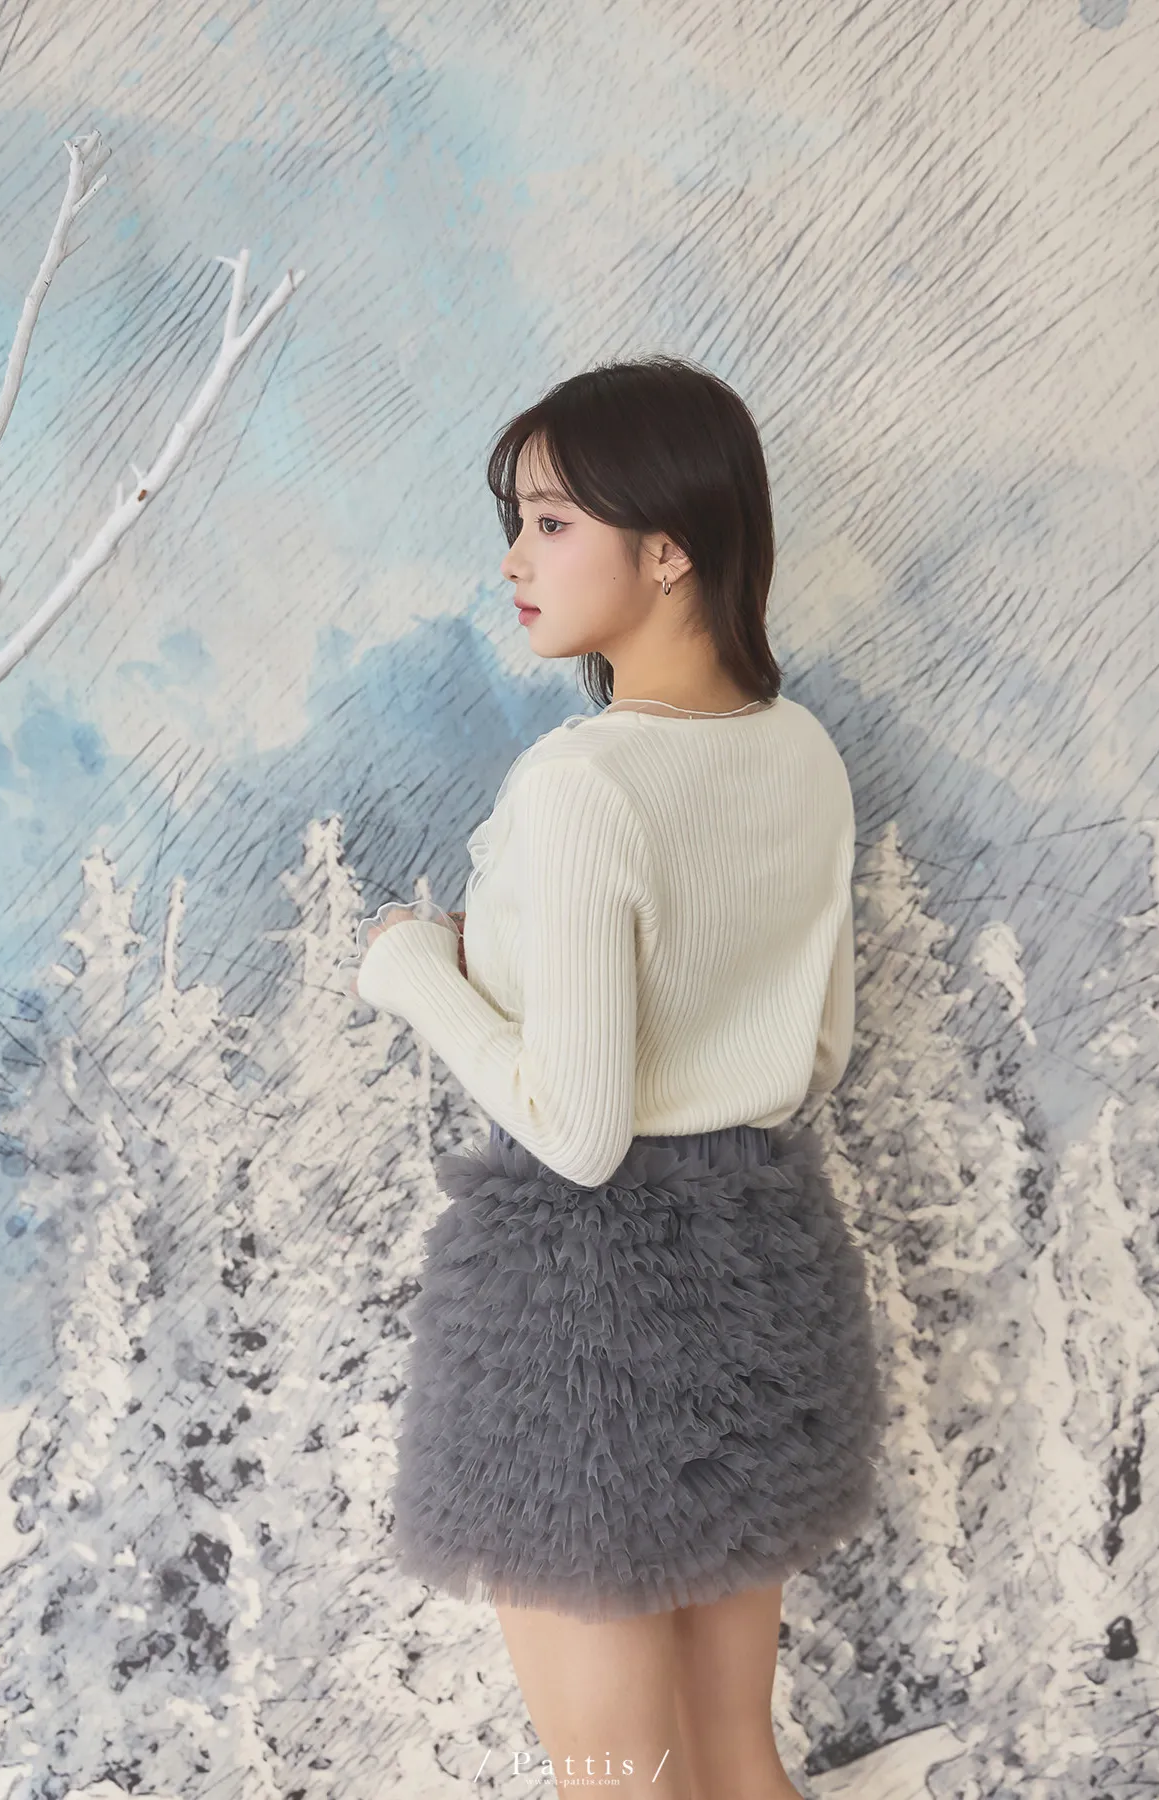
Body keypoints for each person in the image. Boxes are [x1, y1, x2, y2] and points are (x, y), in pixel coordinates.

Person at [354, 355, 886, 1800]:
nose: (514, 562)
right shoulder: (803, 753)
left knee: (620, 1783)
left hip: (581, 1316)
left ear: (668, 551)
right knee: (738, 1764)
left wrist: (416, 974)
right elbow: (816, 1054)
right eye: (517, 525)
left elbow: (577, 1134)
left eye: (551, 523)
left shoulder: (584, 782)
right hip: (758, 1280)